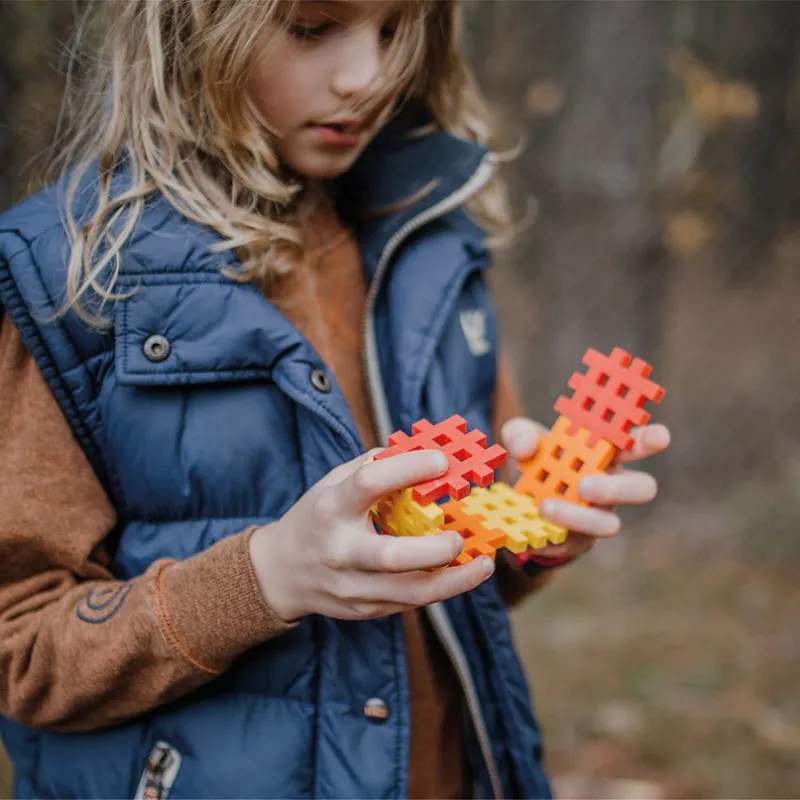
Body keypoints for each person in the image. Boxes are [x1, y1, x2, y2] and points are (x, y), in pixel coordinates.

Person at [0, 1, 670, 798]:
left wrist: (535, 527)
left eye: (392, 31)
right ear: (191, 24)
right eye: (312, 29)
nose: (367, 78)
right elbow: (21, 649)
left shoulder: (430, 236)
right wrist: (265, 578)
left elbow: (466, 561)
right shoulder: (68, 279)